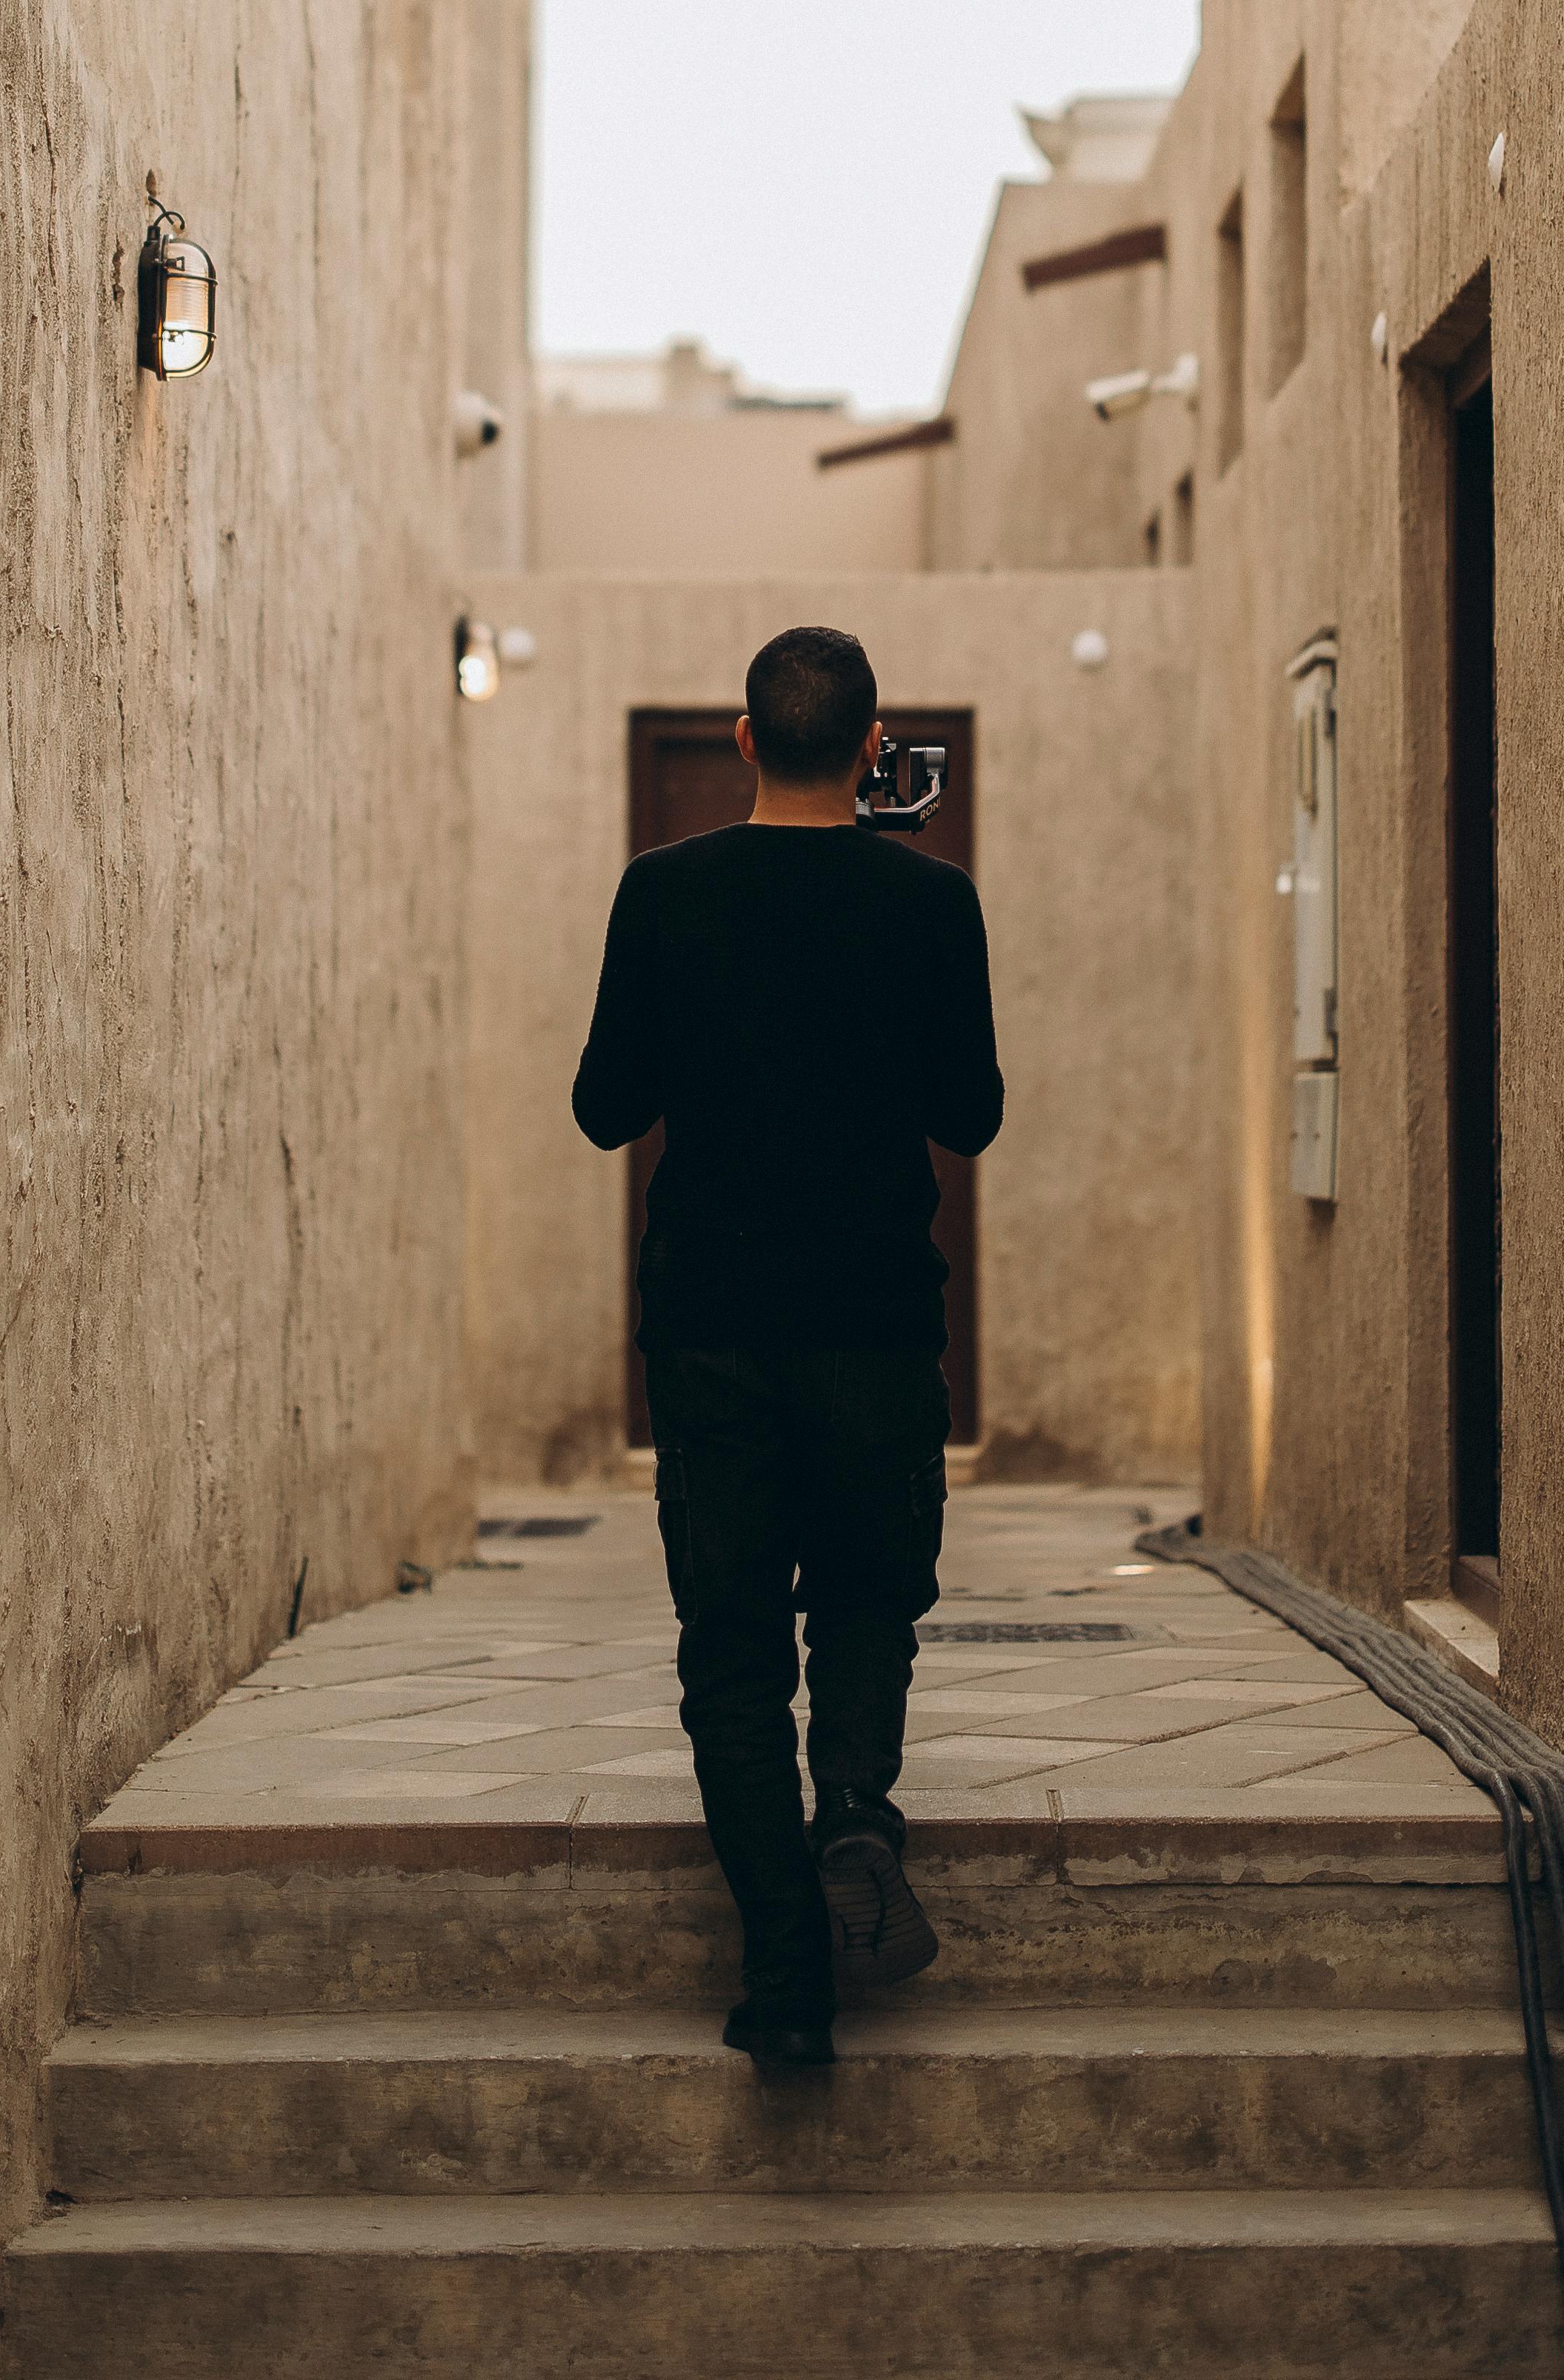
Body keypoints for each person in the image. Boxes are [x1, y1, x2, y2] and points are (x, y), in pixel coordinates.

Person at [570, 621, 1005, 2073]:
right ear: (874, 750)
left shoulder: (664, 894)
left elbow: (605, 1107)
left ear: (747, 741)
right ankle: (861, 1817)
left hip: (713, 1330)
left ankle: (785, 1976)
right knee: (869, 1604)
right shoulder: (933, 904)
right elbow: (973, 1114)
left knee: (734, 1648)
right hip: (878, 1323)